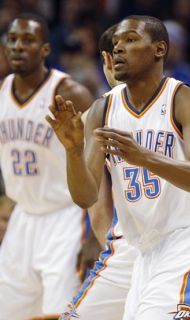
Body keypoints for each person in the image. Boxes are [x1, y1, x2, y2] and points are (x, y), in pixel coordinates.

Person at [48, 15, 190, 320]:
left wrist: (144, 157)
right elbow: (86, 196)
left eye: (131, 40)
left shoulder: (184, 99)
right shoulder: (102, 109)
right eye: (116, 43)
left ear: (159, 49)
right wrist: (72, 150)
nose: (119, 49)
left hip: (189, 238)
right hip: (143, 249)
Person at [0, 13, 93, 319]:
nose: (17, 47)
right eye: (12, 39)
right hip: (22, 217)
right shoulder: (2, 91)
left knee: (60, 312)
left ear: (45, 49)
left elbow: (100, 162)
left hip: (66, 216)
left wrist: (95, 232)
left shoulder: (69, 93)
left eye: (28, 40)